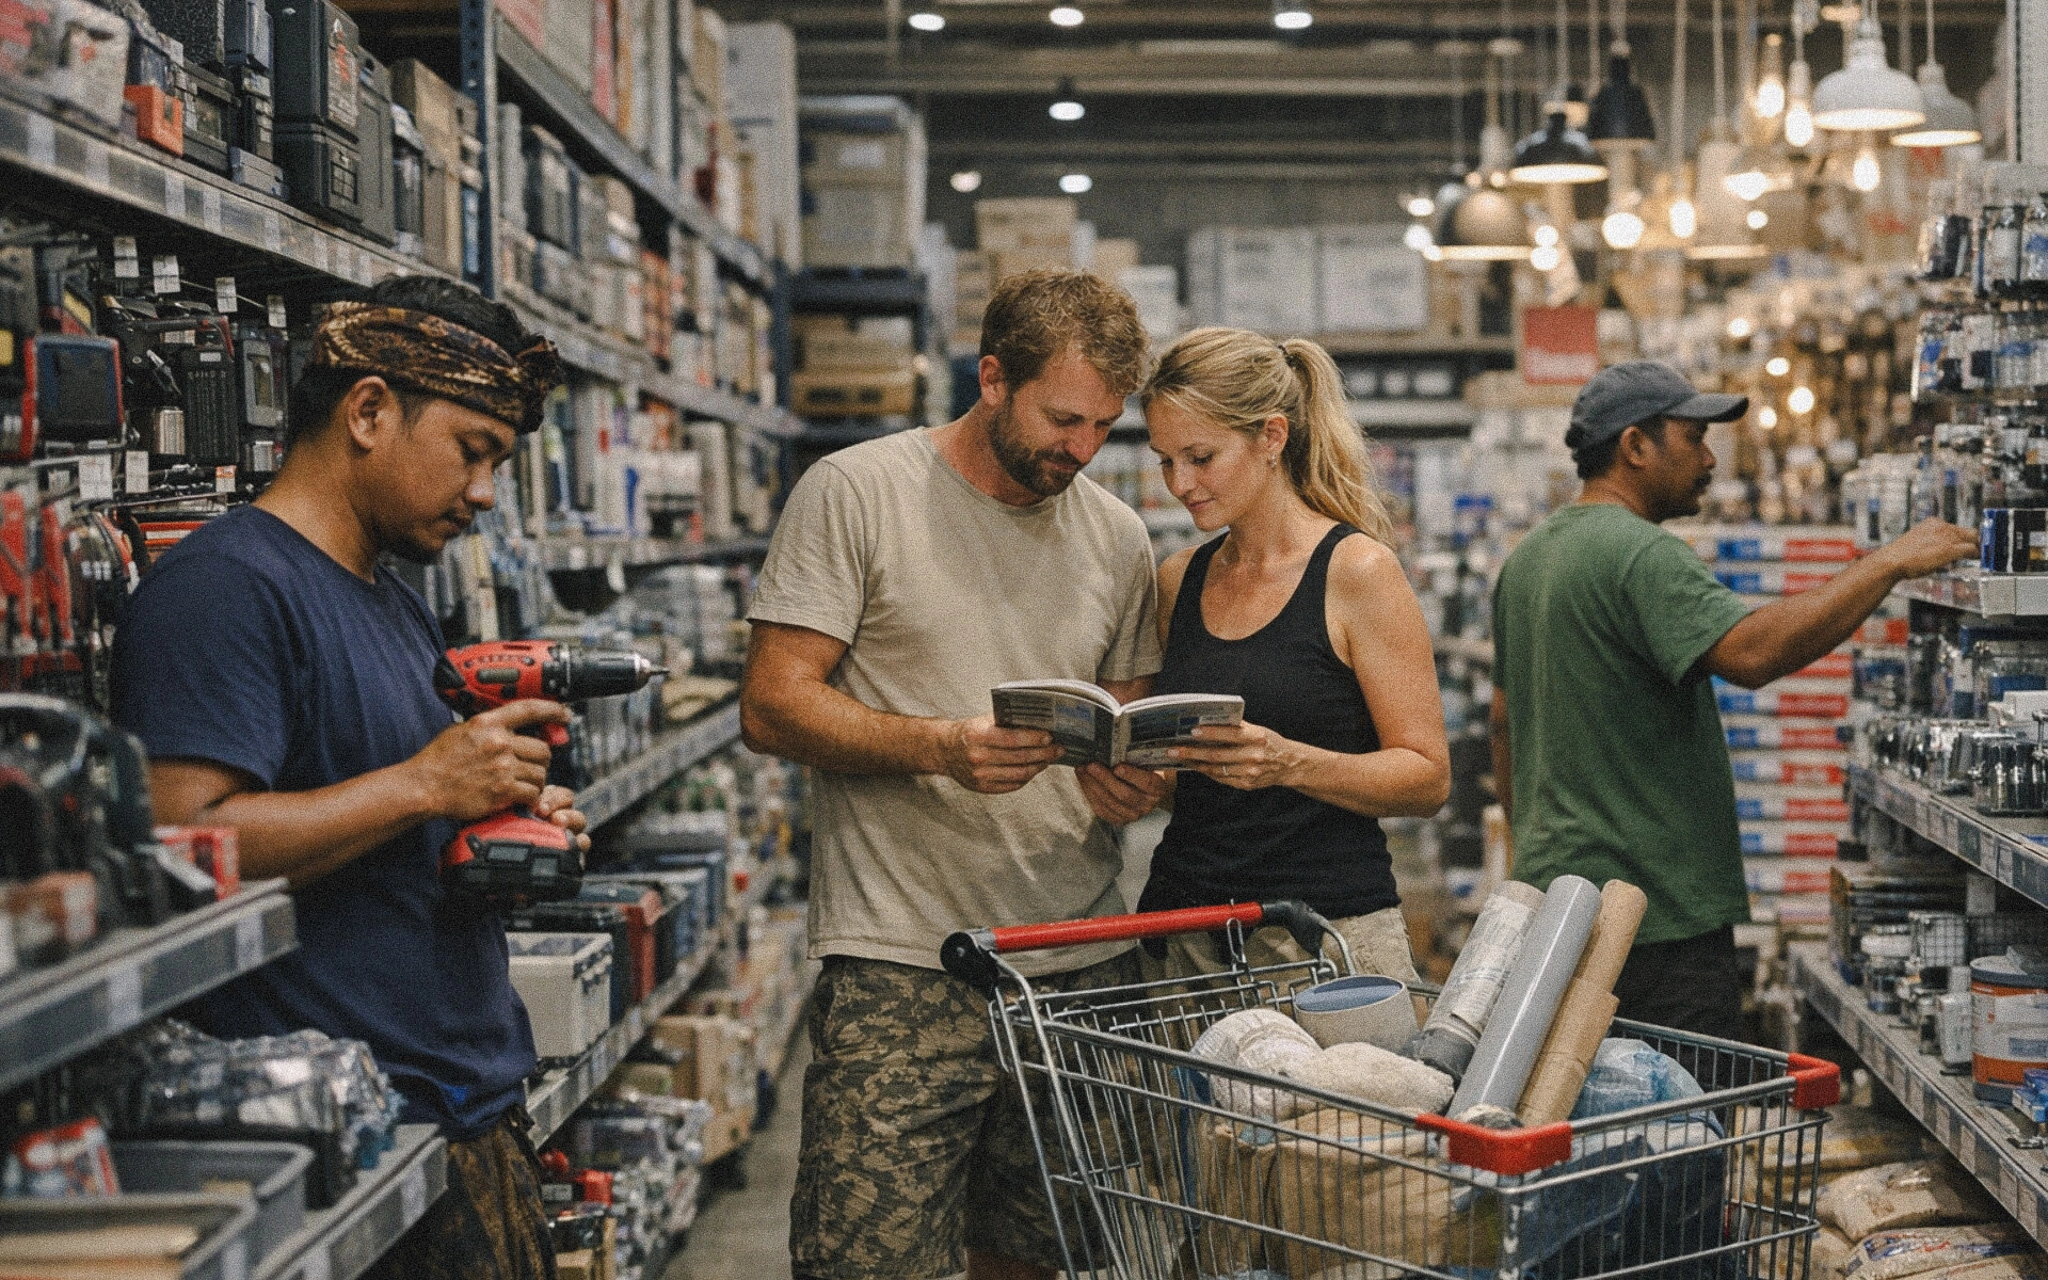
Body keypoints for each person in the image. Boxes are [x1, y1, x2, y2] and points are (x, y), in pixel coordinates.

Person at [110, 276, 577, 1280]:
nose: (486, 491)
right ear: (369, 410)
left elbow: (388, 817)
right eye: (472, 450)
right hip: (353, 1146)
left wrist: (497, 824)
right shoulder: (226, 590)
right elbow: (180, 847)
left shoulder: (391, 599)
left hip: (464, 1115)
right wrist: (422, 785)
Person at [740, 269, 1166, 1280]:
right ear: (989, 377)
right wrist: (939, 743)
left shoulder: (1115, 535)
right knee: (865, 1259)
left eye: (1104, 426)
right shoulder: (855, 492)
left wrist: (1136, 782)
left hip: (1071, 963)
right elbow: (772, 701)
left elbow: (1132, 730)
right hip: (902, 962)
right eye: (1062, 418)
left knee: (1036, 1254)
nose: (1080, 448)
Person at [1490, 359, 1977, 1041]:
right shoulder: (1640, 555)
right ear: (1635, 446)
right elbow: (1752, 653)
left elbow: (1502, 726)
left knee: (1582, 1124)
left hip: (1557, 913)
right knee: (1678, 1128)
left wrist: (1536, 856)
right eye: (1692, 437)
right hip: (1655, 921)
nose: (1709, 457)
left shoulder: (1529, 558)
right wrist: (1885, 563)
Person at [1135, 327, 1451, 988]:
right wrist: (1136, 782)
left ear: (1271, 437)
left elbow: (1426, 777)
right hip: (1188, 940)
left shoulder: (1357, 572)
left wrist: (1289, 763)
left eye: (1200, 456)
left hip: (1323, 943)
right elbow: (1188, 786)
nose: (1179, 483)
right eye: (1165, 460)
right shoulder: (1178, 580)